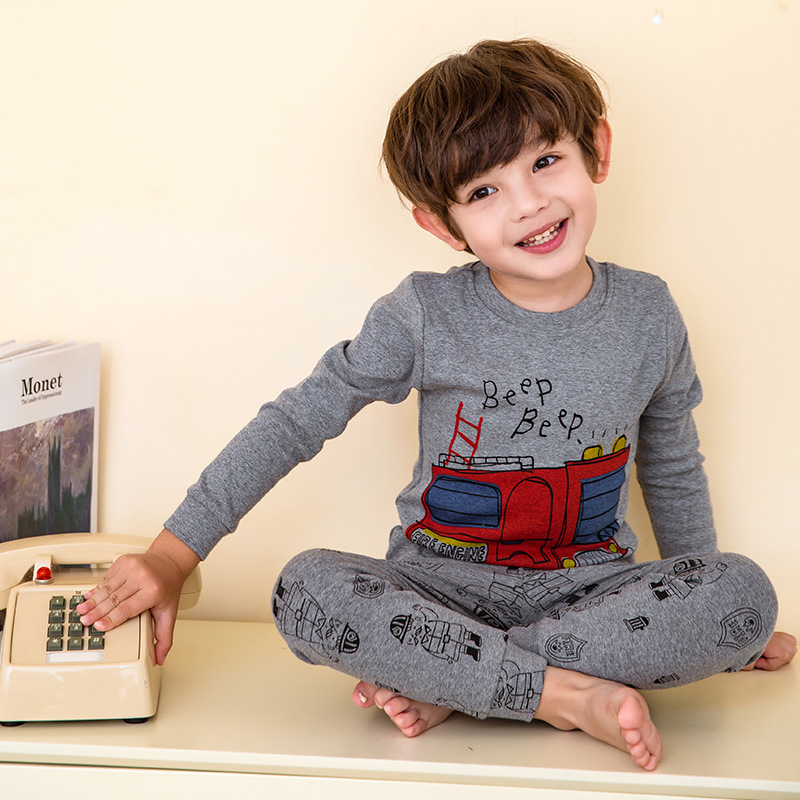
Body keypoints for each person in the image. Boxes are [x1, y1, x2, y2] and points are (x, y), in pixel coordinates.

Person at [77, 39, 796, 771]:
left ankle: (462, 677)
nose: (529, 203)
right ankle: (560, 695)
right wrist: (172, 555)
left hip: (592, 598)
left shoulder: (649, 313)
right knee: (305, 591)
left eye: (546, 161)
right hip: (436, 594)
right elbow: (296, 422)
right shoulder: (423, 314)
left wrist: (713, 619)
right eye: (483, 192)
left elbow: (672, 466)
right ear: (442, 226)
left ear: (597, 151)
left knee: (743, 592)